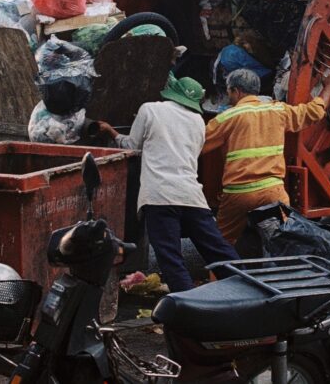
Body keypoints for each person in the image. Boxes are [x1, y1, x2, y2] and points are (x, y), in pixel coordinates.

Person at [95, 77, 239, 292]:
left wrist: (110, 131)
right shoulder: (199, 121)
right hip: (192, 196)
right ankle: (246, 289)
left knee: (170, 257)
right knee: (218, 251)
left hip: (160, 196)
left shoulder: (150, 110)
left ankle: (189, 306)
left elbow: (132, 145)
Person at [203, 67, 330, 246]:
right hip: (273, 192)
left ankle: (220, 274)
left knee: (221, 244)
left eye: (228, 91)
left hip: (238, 193)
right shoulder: (278, 110)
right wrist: (328, 88)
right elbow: (313, 112)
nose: (228, 95)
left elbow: (198, 144)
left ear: (236, 91)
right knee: (283, 241)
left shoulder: (226, 117)